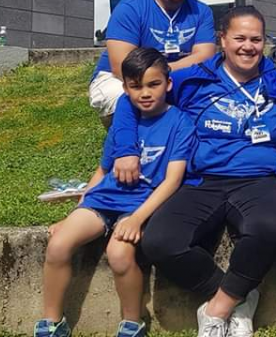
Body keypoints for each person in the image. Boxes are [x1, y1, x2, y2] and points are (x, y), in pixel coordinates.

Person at [111, 6, 276, 337]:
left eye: (256, 39)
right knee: (160, 242)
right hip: (203, 180)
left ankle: (217, 310)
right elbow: (130, 99)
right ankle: (238, 297)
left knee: (268, 227)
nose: (248, 46)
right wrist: (126, 150)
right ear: (222, 40)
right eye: (239, 38)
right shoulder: (191, 79)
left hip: (259, 180)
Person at [37, 48, 195, 337]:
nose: (144, 93)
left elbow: (172, 181)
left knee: (119, 254)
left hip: (142, 205)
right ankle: (51, 323)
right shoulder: (125, 125)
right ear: (125, 89)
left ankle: (132, 324)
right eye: (135, 87)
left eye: (153, 84)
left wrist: (137, 218)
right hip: (103, 200)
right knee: (59, 244)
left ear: (168, 84)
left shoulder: (180, 123)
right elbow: (101, 172)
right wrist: (73, 216)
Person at [89, 0, 215, 128]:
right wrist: (158, 77)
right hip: (119, 77)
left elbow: (205, 57)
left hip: (175, 75)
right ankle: (126, 146)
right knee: (122, 95)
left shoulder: (201, 11)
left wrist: (162, 75)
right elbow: (120, 66)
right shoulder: (130, 8)